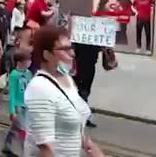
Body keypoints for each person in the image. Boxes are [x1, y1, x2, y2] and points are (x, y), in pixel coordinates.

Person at [24, 26, 104, 157]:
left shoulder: (67, 80)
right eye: (65, 49)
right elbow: (46, 148)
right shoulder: (40, 88)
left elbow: (75, 124)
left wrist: (90, 146)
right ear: (47, 55)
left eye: (71, 48)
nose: (72, 53)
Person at [2, 47, 33, 157]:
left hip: (26, 105)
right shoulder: (14, 75)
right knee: (22, 130)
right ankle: (25, 151)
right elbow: (12, 94)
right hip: (18, 106)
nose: (30, 62)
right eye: (27, 61)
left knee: (15, 128)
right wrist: (12, 111)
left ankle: (7, 146)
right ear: (20, 62)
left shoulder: (28, 73)